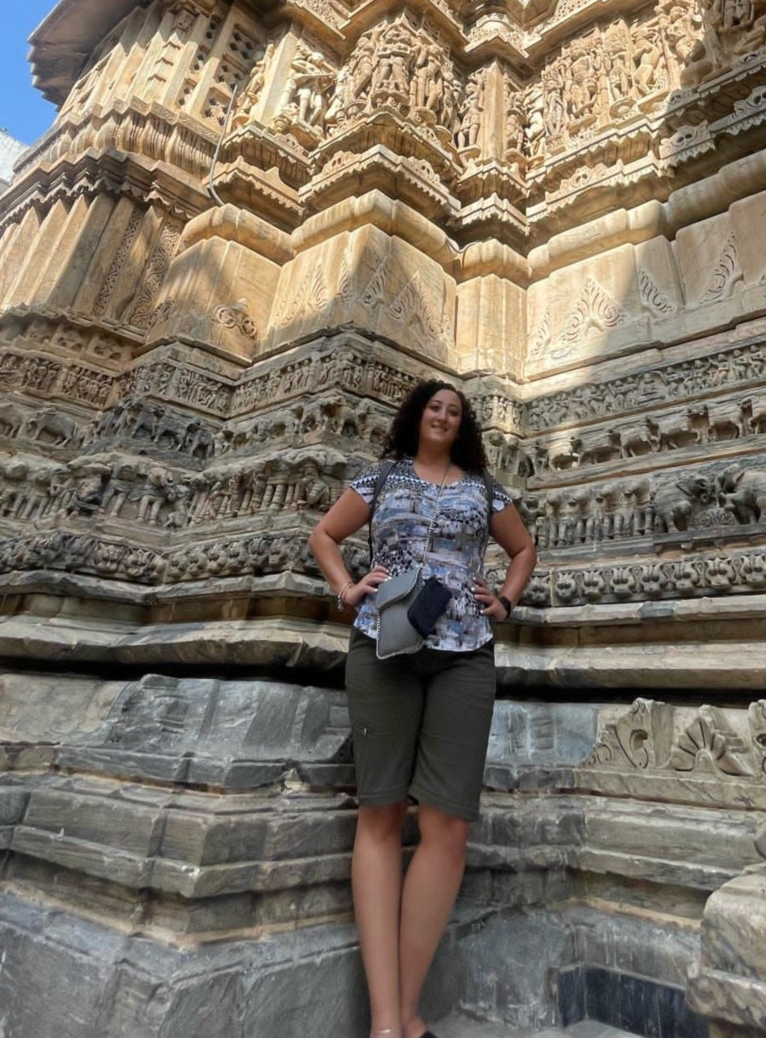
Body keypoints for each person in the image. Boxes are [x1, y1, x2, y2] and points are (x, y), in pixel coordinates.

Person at [309, 379, 537, 1038]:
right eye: (434, 406)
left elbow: (523, 548)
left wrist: (507, 599)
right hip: (385, 642)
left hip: (465, 647)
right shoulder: (381, 477)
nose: (442, 415)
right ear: (416, 416)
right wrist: (348, 586)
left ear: (462, 424)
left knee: (448, 823)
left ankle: (407, 1013)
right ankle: (389, 1023)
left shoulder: (485, 488)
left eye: (454, 410)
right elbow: (325, 533)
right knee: (380, 811)